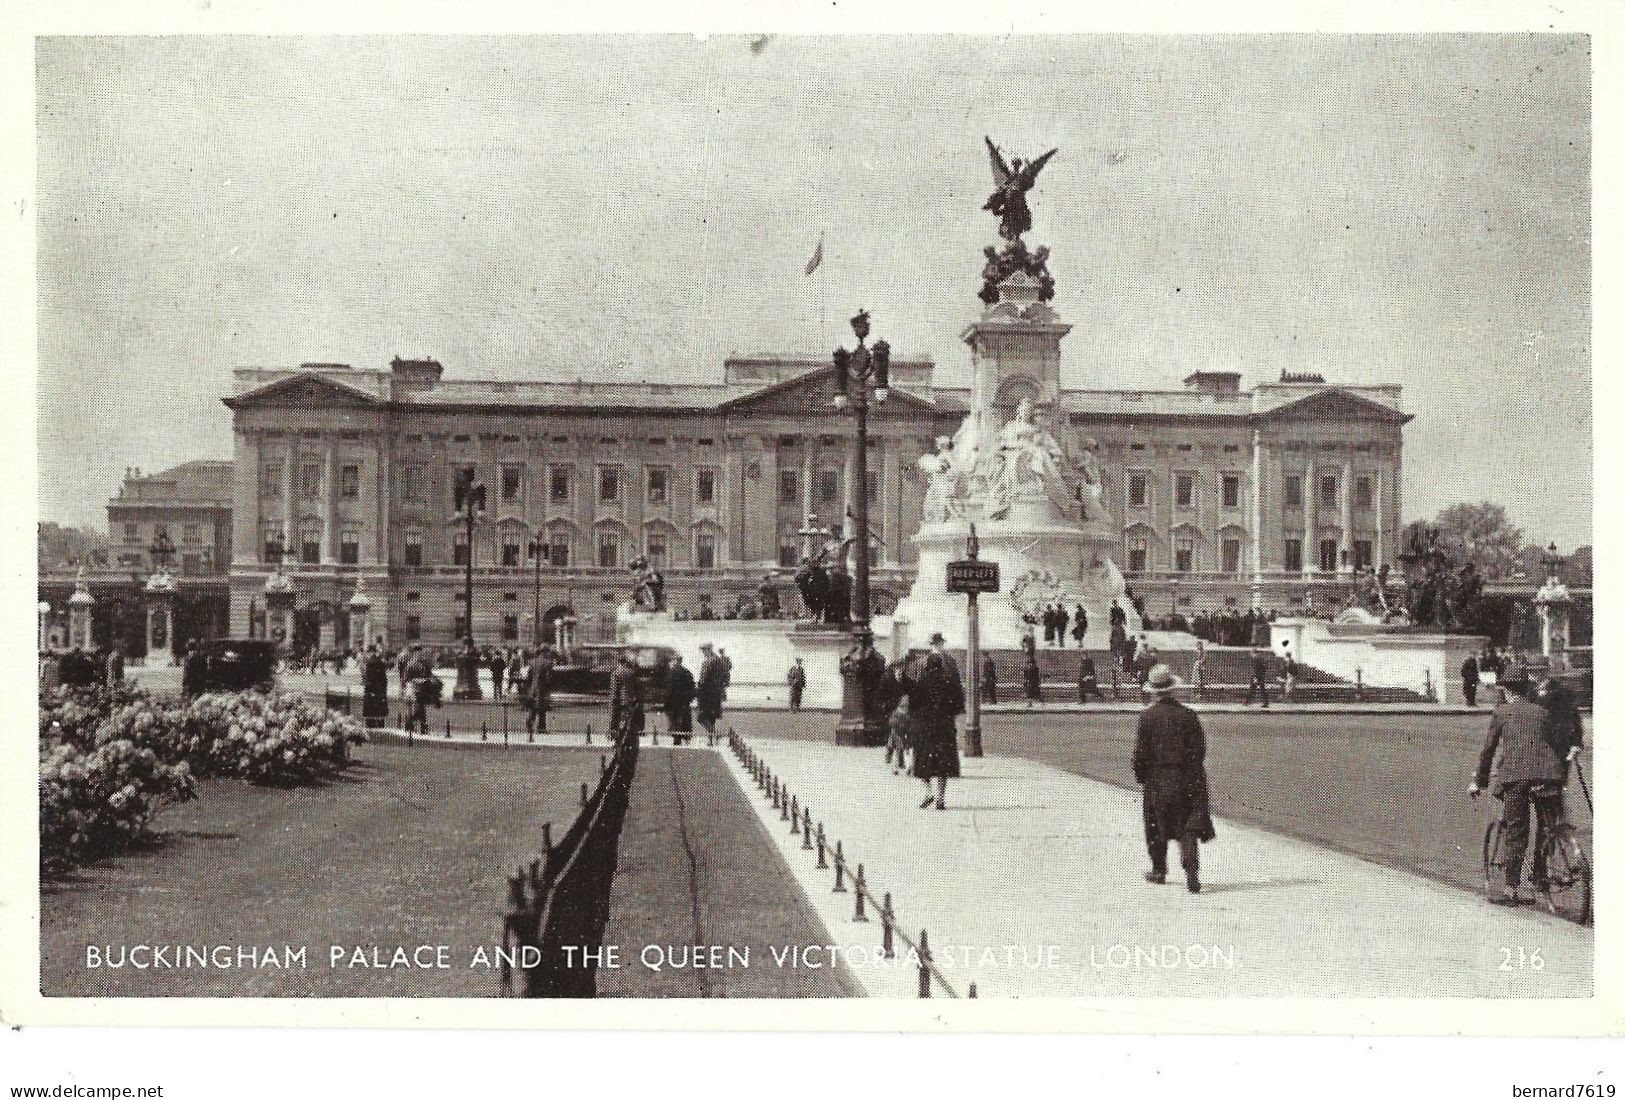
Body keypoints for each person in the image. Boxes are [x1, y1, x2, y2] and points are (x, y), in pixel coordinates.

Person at [1471, 670, 1584, 905]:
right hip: (1550, 776)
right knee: (1546, 825)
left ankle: (1511, 891)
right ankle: (1541, 873)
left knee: (1517, 831)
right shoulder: (1542, 712)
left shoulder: (1502, 713)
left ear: (1508, 691)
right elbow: (1549, 745)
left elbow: (1488, 750)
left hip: (1518, 777)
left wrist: (1479, 781)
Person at [1133, 664, 1216, 893]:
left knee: (1155, 825)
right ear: (1173, 689)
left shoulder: (1147, 717)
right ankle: (1192, 872)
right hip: (1188, 777)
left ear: (1154, 691)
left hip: (1158, 778)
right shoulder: (1188, 715)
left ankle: (1159, 870)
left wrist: (1142, 776)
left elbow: (1140, 753)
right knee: (1187, 827)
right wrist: (1192, 773)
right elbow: (1199, 750)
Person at [909, 635, 964, 809]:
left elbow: (913, 705)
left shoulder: (921, 683)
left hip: (925, 727)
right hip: (944, 726)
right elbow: (958, 703)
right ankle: (940, 798)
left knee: (922, 760)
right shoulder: (949, 682)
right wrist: (949, 716)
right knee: (943, 762)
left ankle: (928, 792)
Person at [609, 652, 645, 742]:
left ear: (618, 662)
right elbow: (638, 689)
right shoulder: (631, 673)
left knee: (616, 722)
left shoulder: (616, 673)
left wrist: (612, 702)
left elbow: (615, 691)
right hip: (631, 702)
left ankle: (615, 737)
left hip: (620, 702)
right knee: (630, 723)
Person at [696, 643, 727, 739]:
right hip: (716, 694)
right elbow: (724, 677)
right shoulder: (719, 661)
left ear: (708, 650)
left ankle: (714, 734)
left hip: (706, 694)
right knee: (711, 717)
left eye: (704, 651)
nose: (703, 653)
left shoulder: (709, 661)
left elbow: (702, 679)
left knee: (701, 718)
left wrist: (698, 690)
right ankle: (711, 739)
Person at [664, 653, 696, 745]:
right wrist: (689, 699)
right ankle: (685, 737)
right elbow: (692, 688)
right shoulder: (687, 672)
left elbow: (668, 688)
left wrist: (666, 701)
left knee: (674, 719)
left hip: (673, 701)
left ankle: (676, 738)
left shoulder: (670, 673)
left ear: (675, 661)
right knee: (684, 719)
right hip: (684, 701)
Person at [526, 646, 554, 736]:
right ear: (545, 652)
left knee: (533, 708)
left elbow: (529, 677)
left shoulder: (532, 662)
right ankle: (541, 728)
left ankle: (530, 724)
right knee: (542, 709)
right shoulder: (547, 663)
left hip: (533, 688)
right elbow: (548, 678)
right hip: (542, 689)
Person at [361, 645, 390, 729]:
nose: (367, 654)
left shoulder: (371, 663)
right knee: (379, 713)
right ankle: (380, 727)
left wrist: (370, 690)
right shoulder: (379, 662)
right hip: (380, 692)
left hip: (372, 692)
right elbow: (384, 680)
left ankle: (372, 730)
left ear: (371, 652)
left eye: (368, 652)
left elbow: (370, 679)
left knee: (371, 714)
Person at [886, 693, 912, 775]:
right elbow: (891, 722)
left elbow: (910, 723)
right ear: (900, 702)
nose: (906, 703)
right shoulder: (896, 712)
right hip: (896, 734)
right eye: (904, 701)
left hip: (905, 734)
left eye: (907, 701)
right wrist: (898, 725)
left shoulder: (908, 712)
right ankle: (895, 768)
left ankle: (908, 767)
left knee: (906, 751)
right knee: (897, 751)